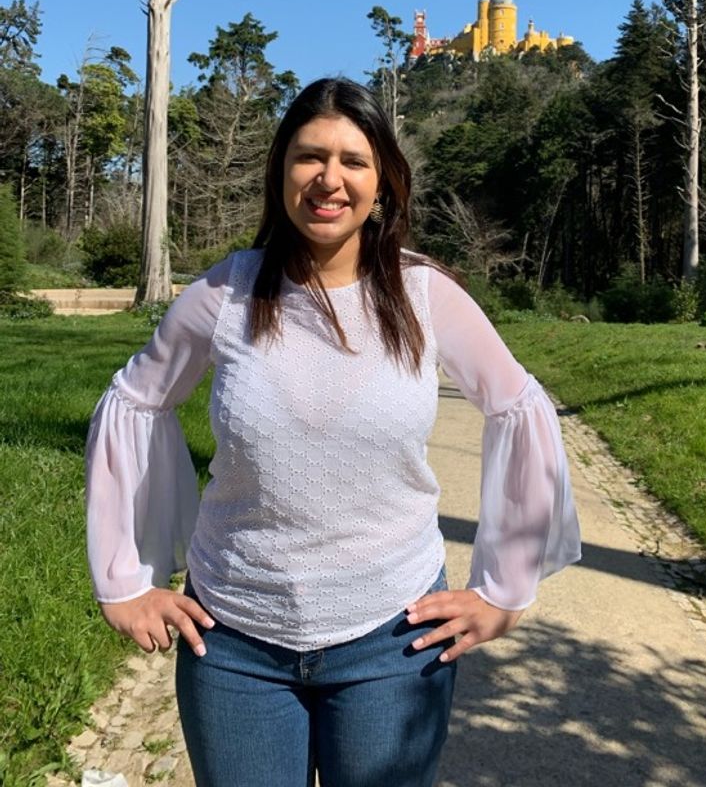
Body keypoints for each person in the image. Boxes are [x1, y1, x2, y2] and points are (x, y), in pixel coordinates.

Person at [86, 77, 581, 787]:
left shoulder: (426, 294)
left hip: (393, 640)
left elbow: (516, 407)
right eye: (308, 157)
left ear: (383, 183)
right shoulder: (223, 295)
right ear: (280, 173)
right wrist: (124, 580)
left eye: (353, 160)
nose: (329, 179)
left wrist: (501, 592)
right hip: (233, 640)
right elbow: (136, 404)